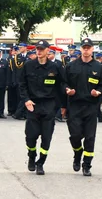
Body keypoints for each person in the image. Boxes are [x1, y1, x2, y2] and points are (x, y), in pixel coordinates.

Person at [17, 39, 67, 175]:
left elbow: (62, 84)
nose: (38, 51)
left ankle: (41, 162)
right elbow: (22, 84)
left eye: (41, 49)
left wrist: (64, 103)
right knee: (30, 136)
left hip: (49, 105)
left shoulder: (55, 67)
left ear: (47, 51)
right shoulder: (28, 66)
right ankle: (32, 156)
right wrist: (26, 100)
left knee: (46, 137)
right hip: (33, 105)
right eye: (37, 49)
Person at [64, 38, 102, 176]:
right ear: (81, 49)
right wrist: (67, 90)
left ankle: (87, 164)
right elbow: (63, 83)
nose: (86, 50)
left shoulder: (99, 67)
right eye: (84, 47)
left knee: (90, 137)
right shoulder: (71, 66)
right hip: (75, 106)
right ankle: (77, 153)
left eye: (89, 47)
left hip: (91, 106)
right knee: (75, 135)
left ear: (92, 49)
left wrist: (98, 92)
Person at [6, 43, 25, 119]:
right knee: (15, 97)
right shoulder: (14, 58)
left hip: (24, 80)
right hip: (16, 80)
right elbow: (13, 71)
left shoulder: (27, 57)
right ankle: (15, 112)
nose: (19, 49)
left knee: (21, 98)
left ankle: (20, 112)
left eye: (21, 47)